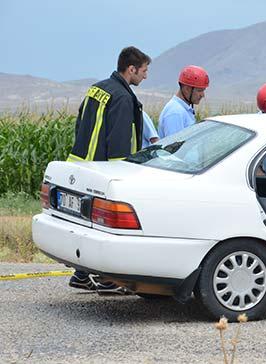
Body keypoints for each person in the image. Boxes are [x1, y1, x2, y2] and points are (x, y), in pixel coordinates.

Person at [67, 46, 151, 292]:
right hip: (103, 170)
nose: (145, 76)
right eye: (144, 71)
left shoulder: (97, 88)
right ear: (131, 69)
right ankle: (107, 279)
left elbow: (80, 122)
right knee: (105, 226)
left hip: (80, 163)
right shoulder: (123, 98)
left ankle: (81, 275)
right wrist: (121, 175)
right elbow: (118, 140)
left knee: (86, 224)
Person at [157, 65, 209, 138]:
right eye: (199, 90)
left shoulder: (183, 109)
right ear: (187, 89)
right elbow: (174, 146)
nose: (202, 95)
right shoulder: (175, 113)